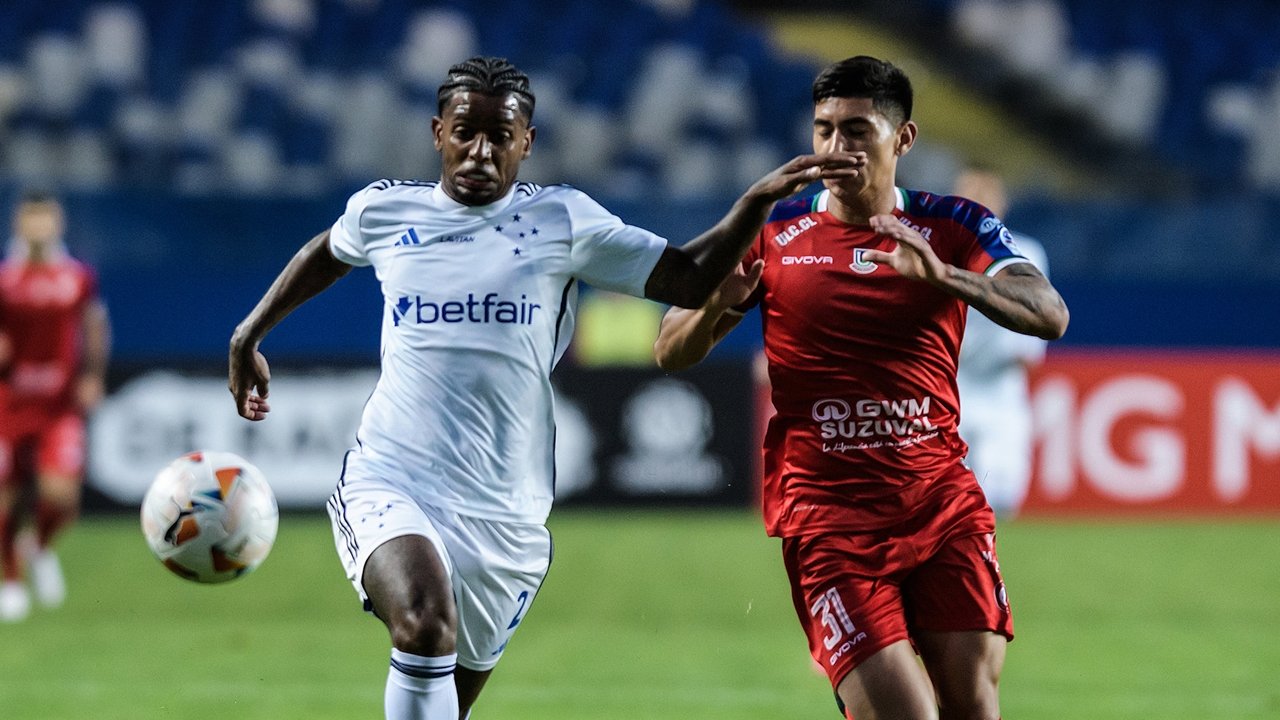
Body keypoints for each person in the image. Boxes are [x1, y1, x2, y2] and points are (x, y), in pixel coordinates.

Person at [227, 56, 860, 720]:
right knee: (422, 624)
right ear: (437, 131)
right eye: (465, 131)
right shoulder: (386, 210)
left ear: (525, 142)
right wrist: (251, 332)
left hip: (507, 516)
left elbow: (688, 282)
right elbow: (328, 252)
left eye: (500, 136)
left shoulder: (563, 222)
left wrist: (753, 205)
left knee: (444, 695)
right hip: (392, 479)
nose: (480, 150)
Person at [653, 56, 1069, 720]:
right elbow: (669, 350)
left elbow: (1049, 312)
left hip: (941, 507)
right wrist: (713, 308)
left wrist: (947, 280)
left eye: (856, 131)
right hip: (830, 524)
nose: (835, 149)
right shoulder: (777, 235)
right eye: (823, 129)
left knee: (973, 705)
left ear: (902, 139)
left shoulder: (951, 226)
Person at [0, 191, 111, 623]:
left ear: (58, 224)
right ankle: (9, 579)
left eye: (47, 220)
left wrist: (92, 375)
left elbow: (93, 325)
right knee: (6, 497)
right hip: (9, 402)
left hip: (59, 404)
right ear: (19, 225)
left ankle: (40, 545)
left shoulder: (78, 277)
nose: (40, 228)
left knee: (61, 496)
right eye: (33, 220)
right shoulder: (6, 278)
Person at [952, 165, 1051, 519]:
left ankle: (998, 574)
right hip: (948, 396)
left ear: (1001, 203)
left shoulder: (1026, 254)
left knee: (1003, 500)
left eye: (984, 195)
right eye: (968, 195)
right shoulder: (937, 253)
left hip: (1001, 396)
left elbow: (1029, 345)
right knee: (944, 506)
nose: (976, 204)